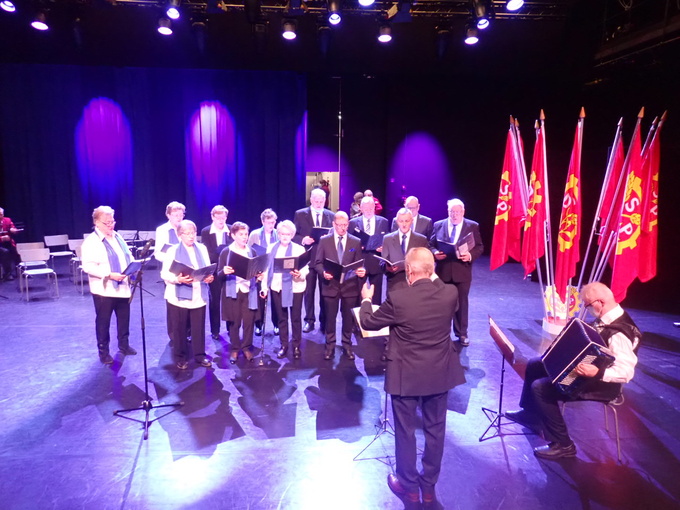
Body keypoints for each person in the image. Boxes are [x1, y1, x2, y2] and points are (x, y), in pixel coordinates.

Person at [359, 247, 465, 508]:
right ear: (432, 270)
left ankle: (409, 488)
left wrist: (366, 300)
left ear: (408, 271)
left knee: (405, 433)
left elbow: (369, 322)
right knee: (435, 431)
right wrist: (429, 269)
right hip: (439, 375)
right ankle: (428, 489)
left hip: (405, 377)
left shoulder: (399, 298)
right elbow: (436, 282)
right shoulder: (450, 294)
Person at [505, 282, 642, 460]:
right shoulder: (605, 318)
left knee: (541, 387)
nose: (587, 309)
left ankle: (564, 445)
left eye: (587, 305)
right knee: (535, 364)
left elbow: (626, 372)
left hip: (601, 384)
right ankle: (531, 414)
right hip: (586, 373)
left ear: (600, 302)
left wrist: (597, 373)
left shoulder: (619, 334)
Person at [81, 206, 137, 364]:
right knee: (103, 322)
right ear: (96, 223)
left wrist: (133, 267)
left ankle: (124, 345)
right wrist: (109, 274)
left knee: (124, 318)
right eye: (107, 223)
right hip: (104, 290)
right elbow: (88, 267)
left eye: (112, 221)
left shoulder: (117, 237)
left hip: (123, 286)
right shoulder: (91, 242)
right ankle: (103, 352)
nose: (111, 225)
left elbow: (128, 255)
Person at [160, 220, 214, 370]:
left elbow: (206, 269)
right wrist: (178, 279)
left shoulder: (202, 248)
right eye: (187, 233)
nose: (191, 236)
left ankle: (199, 355)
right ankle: (181, 357)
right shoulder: (172, 251)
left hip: (198, 294)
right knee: (179, 329)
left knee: (198, 328)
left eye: (193, 233)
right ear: (180, 235)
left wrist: (208, 277)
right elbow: (164, 273)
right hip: (178, 297)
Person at [431, 198, 483, 347]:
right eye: (451, 212)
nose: (454, 215)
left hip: (462, 271)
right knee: (442, 304)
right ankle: (441, 334)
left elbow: (479, 246)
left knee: (462, 303)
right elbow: (430, 244)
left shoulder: (472, 226)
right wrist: (435, 253)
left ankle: (462, 333)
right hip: (443, 271)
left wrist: (470, 255)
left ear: (463, 212)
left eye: (457, 212)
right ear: (448, 212)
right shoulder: (438, 225)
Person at [314, 211, 366, 360]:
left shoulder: (355, 241)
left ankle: (347, 345)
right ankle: (330, 346)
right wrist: (324, 273)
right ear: (333, 224)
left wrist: (361, 271)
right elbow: (318, 263)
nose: (342, 228)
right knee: (330, 318)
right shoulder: (325, 241)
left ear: (348, 224)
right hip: (331, 285)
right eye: (339, 225)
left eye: (345, 225)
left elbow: (359, 264)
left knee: (348, 319)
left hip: (349, 286)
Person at [260, 220, 309, 360]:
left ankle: (296, 346)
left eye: (288, 234)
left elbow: (305, 268)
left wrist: (299, 274)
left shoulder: (299, 249)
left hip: (295, 287)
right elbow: (266, 269)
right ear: (278, 234)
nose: (285, 236)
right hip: (277, 287)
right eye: (282, 234)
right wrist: (264, 287)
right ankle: (284, 345)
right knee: (282, 318)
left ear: (292, 235)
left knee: (295, 318)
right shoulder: (271, 248)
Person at [219, 222, 263, 364]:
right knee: (234, 321)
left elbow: (257, 270)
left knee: (249, 321)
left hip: (249, 291)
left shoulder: (252, 251)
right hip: (233, 291)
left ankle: (246, 347)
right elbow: (218, 274)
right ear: (233, 235)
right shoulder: (226, 252)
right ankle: (235, 348)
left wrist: (259, 276)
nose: (244, 237)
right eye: (241, 234)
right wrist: (224, 271)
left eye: (246, 234)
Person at [293, 188, 335, 333]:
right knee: (309, 293)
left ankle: (324, 321)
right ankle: (309, 320)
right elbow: (294, 235)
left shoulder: (331, 215)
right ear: (311, 200)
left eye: (321, 201)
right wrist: (303, 239)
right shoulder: (300, 214)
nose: (318, 203)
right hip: (308, 259)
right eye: (316, 201)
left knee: (325, 292)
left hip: (325, 260)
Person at [349, 196, 389, 305]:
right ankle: (359, 315)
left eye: (371, 208)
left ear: (374, 208)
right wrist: (356, 248)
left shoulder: (383, 222)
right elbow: (349, 246)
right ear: (360, 208)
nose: (368, 211)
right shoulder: (353, 223)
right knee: (358, 295)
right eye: (366, 209)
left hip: (376, 262)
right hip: (359, 264)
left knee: (376, 295)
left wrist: (383, 248)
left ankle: (375, 314)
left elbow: (387, 240)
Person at [200, 205, 232, 340]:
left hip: (229, 270)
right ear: (212, 217)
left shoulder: (231, 229)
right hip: (214, 271)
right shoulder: (206, 231)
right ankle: (215, 330)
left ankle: (231, 328)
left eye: (223, 217)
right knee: (214, 301)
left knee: (230, 299)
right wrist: (221, 253)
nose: (221, 220)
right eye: (218, 217)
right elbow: (206, 253)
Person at [382, 208, 429, 296]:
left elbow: (425, 263)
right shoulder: (387, 239)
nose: (404, 224)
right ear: (397, 221)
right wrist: (388, 267)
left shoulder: (421, 239)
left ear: (412, 221)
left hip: (415, 284)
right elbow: (382, 262)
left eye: (407, 221)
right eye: (401, 221)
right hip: (394, 283)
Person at [248, 208, 280, 336]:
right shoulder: (255, 234)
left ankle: (276, 324)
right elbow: (249, 252)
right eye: (268, 222)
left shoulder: (278, 234)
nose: (271, 225)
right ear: (263, 222)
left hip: (274, 270)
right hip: (260, 270)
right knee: (260, 299)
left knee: (276, 299)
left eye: (273, 222)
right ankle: (259, 324)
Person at [0, 206, 20, 281]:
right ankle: (8, 274)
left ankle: (20, 272)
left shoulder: (7, 220)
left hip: (8, 243)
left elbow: (13, 227)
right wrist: (1, 238)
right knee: (5, 252)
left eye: (2, 214)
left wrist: (13, 230)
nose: (1, 216)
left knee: (16, 252)